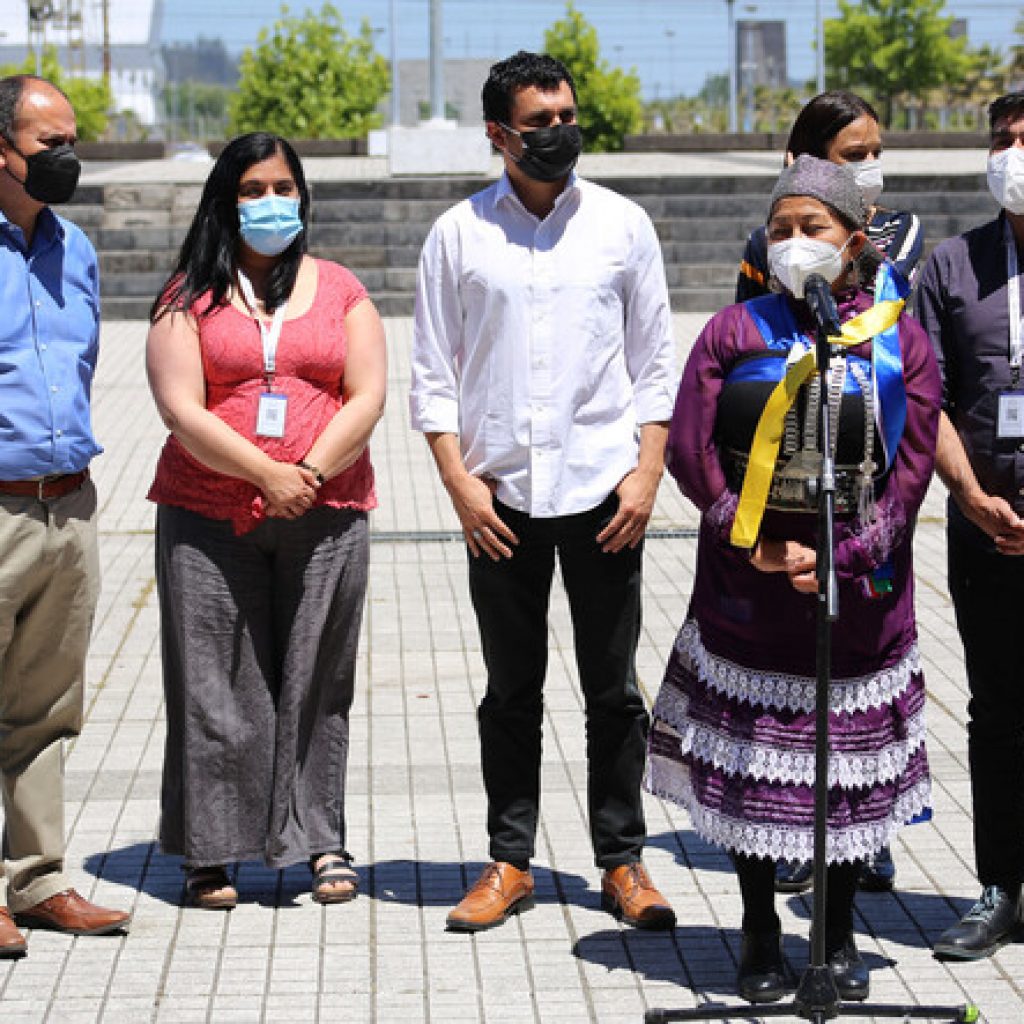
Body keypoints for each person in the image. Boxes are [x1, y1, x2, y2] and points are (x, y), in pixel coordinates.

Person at [646, 156, 939, 1003]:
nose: (795, 244)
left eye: (813, 228)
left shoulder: (898, 338)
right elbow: (695, 456)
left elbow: (911, 471)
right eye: (781, 230)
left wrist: (842, 559)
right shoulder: (735, 333)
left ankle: (838, 930)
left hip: (859, 598)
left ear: (854, 240)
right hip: (751, 587)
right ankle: (760, 930)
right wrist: (760, 550)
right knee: (753, 769)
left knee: (841, 780)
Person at [409, 51, 678, 933]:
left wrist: (644, 476)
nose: (560, 132)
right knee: (510, 690)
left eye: (568, 115)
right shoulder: (457, 235)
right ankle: (509, 860)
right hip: (500, 501)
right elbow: (433, 376)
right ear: (498, 133)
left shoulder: (622, 225)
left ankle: (623, 862)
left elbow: (654, 363)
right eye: (541, 121)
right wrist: (458, 485)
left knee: (614, 691)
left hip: (606, 490)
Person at [145, 132, 386, 909]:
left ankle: (320, 840)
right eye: (251, 189)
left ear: (304, 196)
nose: (270, 202)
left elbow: (369, 394)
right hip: (209, 515)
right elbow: (180, 408)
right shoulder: (188, 295)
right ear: (225, 200)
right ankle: (211, 851)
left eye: (283, 187)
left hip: (328, 510)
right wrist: (261, 473)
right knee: (216, 683)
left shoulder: (342, 288)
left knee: (317, 679)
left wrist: (307, 475)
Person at [737, 90, 922, 896]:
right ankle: (782, 826)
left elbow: (917, 360)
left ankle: (860, 837)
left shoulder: (904, 234)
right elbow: (744, 356)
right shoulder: (770, 241)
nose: (870, 165)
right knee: (782, 678)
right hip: (793, 460)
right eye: (852, 152)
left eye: (874, 149)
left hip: (872, 485)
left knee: (858, 675)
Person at [0, 74, 131, 956]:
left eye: (72, 140)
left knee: (47, 708)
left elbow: (78, 371)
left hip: (68, 508)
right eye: (51, 145)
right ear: (2, 151)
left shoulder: (75, 247)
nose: (68, 158)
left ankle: (37, 879)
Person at [917, 91, 1024, 960]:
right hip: (984, 526)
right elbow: (932, 400)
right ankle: (999, 887)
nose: (1012, 151)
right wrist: (969, 495)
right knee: (997, 710)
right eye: (1002, 138)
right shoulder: (951, 266)